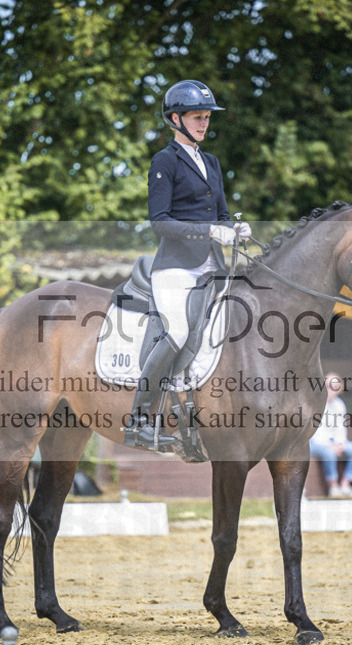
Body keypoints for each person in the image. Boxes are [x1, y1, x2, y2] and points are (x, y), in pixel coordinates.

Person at [124, 79, 251, 449]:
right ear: (175, 118)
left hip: (212, 268)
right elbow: (160, 221)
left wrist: (233, 229)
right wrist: (210, 232)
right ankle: (140, 419)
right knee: (177, 332)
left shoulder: (211, 162)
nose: (204, 124)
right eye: (197, 117)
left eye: (208, 117)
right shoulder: (164, 161)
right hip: (175, 268)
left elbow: (222, 215)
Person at [309, 374, 352, 498]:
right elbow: (314, 432)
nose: (331, 389)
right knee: (329, 452)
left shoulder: (339, 404)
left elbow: (340, 428)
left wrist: (340, 443)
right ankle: (333, 487)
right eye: (328, 386)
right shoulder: (314, 403)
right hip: (314, 443)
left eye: (335, 387)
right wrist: (331, 445)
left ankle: (345, 485)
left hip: (334, 442)